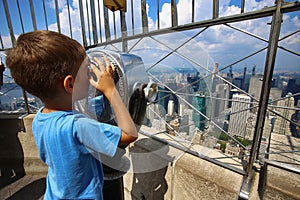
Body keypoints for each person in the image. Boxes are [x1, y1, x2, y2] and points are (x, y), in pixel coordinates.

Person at [6, 30, 138, 199]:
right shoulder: (78, 126)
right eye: (86, 73)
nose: (91, 77)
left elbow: (84, 111)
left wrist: (101, 93)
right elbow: (129, 134)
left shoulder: (40, 118)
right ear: (69, 84)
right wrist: (110, 90)